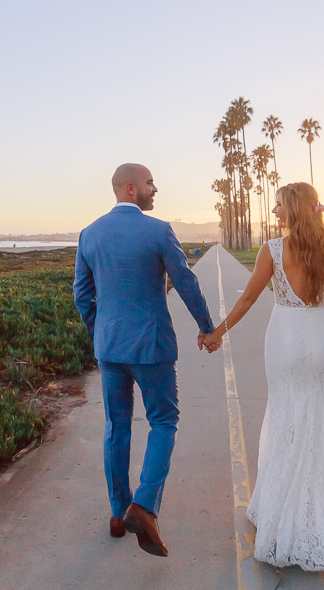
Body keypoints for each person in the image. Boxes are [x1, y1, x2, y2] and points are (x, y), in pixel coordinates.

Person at [202, 182, 324, 571]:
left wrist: (218, 332)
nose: (274, 213)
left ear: (292, 209)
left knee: (286, 415)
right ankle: (319, 515)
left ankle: (282, 510)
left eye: (277, 207)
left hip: (285, 339)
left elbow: (250, 298)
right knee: (316, 418)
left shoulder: (273, 250)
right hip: (320, 336)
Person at [74, 163, 220, 557]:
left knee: (116, 428)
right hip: (151, 347)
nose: (156, 189)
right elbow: (185, 283)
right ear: (130, 187)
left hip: (110, 349)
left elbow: (81, 296)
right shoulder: (158, 231)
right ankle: (144, 506)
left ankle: (118, 515)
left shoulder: (89, 235)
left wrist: (101, 332)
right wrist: (209, 327)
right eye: (151, 183)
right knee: (164, 421)